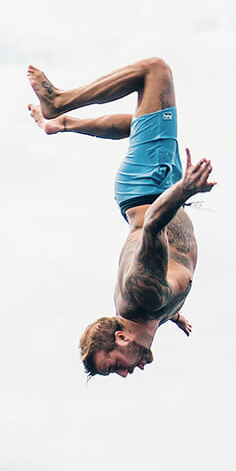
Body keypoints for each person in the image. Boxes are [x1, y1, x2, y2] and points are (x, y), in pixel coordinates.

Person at [27, 57, 216, 378]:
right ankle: (62, 124)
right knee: (140, 123)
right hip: (153, 187)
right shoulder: (149, 310)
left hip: (152, 185)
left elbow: (155, 224)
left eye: (115, 365)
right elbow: (159, 278)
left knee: (155, 71)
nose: (127, 373)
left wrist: (185, 189)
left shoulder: (143, 297)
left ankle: (58, 103)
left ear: (121, 337)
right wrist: (174, 314)